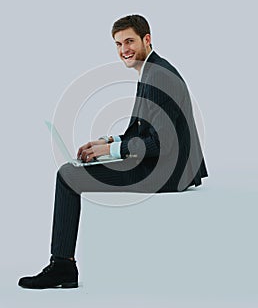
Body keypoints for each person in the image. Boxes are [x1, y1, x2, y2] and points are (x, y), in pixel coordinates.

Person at [18, 15, 208, 289]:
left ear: (147, 39)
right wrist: (107, 142)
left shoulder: (158, 76)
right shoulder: (153, 70)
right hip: (167, 165)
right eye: (118, 44)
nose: (123, 50)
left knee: (68, 177)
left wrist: (112, 150)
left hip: (167, 172)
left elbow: (160, 145)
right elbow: (147, 130)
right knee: (72, 172)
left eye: (129, 41)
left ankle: (62, 267)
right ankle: (62, 265)